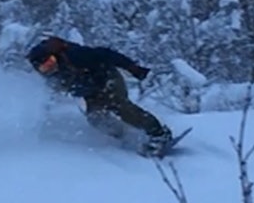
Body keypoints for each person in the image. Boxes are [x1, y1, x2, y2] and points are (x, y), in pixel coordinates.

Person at [27, 35, 173, 155]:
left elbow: (106, 54)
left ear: (54, 56)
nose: (51, 67)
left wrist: (133, 68)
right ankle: (126, 136)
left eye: (51, 62)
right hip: (91, 92)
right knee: (96, 119)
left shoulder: (75, 56)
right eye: (45, 67)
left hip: (108, 78)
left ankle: (158, 134)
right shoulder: (51, 77)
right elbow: (49, 94)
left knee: (119, 106)